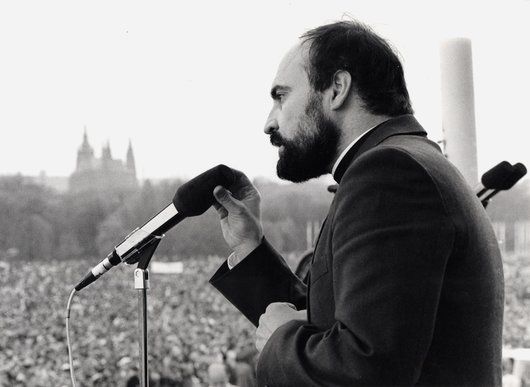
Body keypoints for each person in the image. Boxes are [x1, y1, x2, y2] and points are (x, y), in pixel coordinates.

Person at [209, 20, 504, 386]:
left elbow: (366, 370)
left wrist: (278, 345)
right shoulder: (409, 161)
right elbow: (338, 324)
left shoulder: (387, 173)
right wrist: (250, 248)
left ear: (336, 88)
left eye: (280, 96)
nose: (269, 123)